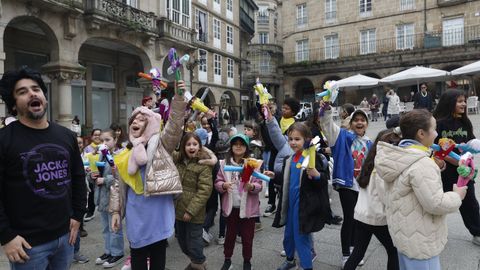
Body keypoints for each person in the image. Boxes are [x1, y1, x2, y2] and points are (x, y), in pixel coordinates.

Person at [0, 67, 87, 269]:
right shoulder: (4, 140)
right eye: (22, 92)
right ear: (14, 106)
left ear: (44, 98)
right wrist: (6, 236)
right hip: (27, 245)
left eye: (36, 89)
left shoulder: (66, 136)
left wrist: (78, 215)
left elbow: (77, 177)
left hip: (65, 238)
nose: (32, 93)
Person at [110, 81, 188, 270]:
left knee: (158, 258)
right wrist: (115, 211)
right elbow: (117, 185)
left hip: (158, 213)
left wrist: (178, 98)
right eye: (133, 120)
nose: (135, 122)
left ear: (151, 124)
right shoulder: (124, 153)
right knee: (137, 256)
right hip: (137, 214)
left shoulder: (161, 146)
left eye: (142, 119)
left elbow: (175, 126)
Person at [375, 109, 467, 270]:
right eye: (434, 128)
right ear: (421, 134)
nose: (437, 133)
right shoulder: (422, 163)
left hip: (404, 236)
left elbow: (386, 194)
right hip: (421, 240)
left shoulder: (396, 156)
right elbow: (436, 204)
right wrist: (457, 196)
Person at [265, 116, 331, 270]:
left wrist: (316, 175)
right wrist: (275, 176)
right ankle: (290, 260)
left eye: (297, 139)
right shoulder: (289, 159)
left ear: (307, 140)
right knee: (288, 236)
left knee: (302, 238)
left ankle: (307, 266)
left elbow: (323, 181)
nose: (293, 142)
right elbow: (288, 178)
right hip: (290, 205)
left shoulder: (313, 159)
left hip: (304, 207)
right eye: (290, 139)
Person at [319, 102, 372, 267]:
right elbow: (327, 125)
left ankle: (355, 250)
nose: (359, 122)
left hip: (363, 185)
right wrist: (327, 109)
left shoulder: (370, 143)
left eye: (363, 120)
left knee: (359, 219)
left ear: (367, 124)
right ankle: (345, 254)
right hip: (347, 183)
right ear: (351, 122)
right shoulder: (341, 136)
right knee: (350, 218)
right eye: (356, 119)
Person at [343, 129, 400, 270]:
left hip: (362, 216)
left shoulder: (370, 163)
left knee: (358, 253)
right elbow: (386, 196)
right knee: (393, 251)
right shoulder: (383, 169)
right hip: (378, 218)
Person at [433, 89, 480, 245]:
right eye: (460, 101)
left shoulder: (464, 122)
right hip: (443, 170)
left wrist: (470, 152)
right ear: (450, 103)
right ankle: (433, 234)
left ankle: (477, 232)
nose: (464, 104)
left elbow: (470, 144)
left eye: (464, 101)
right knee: (437, 204)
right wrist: (455, 160)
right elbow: (434, 148)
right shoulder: (438, 123)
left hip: (463, 172)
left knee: (470, 202)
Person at [216, 134, 263, 270]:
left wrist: (252, 187)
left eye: (241, 144)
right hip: (231, 209)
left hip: (248, 210)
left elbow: (259, 184)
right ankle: (227, 260)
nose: (238, 146)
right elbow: (218, 182)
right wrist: (223, 185)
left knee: (248, 239)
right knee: (229, 237)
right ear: (231, 146)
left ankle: (247, 262)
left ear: (246, 147)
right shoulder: (224, 164)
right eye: (235, 143)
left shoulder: (253, 164)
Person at [173, 132, 215, 270]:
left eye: (195, 144)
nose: (192, 147)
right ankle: (197, 264)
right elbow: (165, 147)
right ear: (183, 146)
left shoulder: (204, 165)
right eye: (188, 144)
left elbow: (204, 191)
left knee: (194, 245)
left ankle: (199, 265)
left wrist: (191, 211)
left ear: (200, 146)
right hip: (177, 211)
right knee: (182, 243)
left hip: (194, 214)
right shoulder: (178, 160)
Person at [89, 129, 125, 268]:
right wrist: (92, 176)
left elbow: (120, 178)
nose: (104, 143)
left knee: (114, 227)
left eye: (107, 140)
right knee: (105, 228)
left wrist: (105, 180)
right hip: (102, 198)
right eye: (102, 140)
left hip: (113, 198)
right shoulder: (100, 156)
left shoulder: (119, 156)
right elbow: (96, 174)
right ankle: (108, 251)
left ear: (115, 140)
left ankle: (117, 252)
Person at [84, 128, 102, 222]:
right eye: (95, 134)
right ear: (91, 137)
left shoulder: (105, 147)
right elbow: (85, 161)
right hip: (91, 174)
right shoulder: (87, 148)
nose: (97, 136)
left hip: (102, 174)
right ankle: (90, 211)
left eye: (99, 134)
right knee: (91, 194)